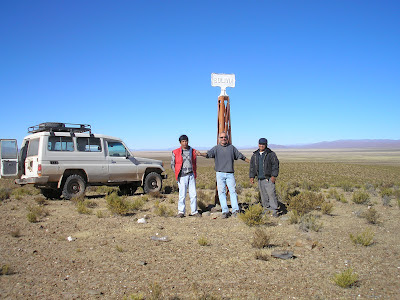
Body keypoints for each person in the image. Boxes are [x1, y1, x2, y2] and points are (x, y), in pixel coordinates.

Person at [196, 132, 250, 218]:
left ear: (227, 138)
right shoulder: (216, 148)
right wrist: (200, 154)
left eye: (225, 137)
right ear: (219, 138)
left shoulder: (231, 148)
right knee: (221, 192)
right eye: (221, 137)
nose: (223, 139)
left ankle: (235, 210)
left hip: (230, 174)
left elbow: (241, 156)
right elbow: (208, 154)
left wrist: (250, 162)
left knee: (233, 192)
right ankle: (225, 211)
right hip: (220, 173)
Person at [249, 138, 280, 217]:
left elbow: (275, 165)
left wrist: (274, 176)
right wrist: (252, 177)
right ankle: (266, 209)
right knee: (263, 195)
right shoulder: (255, 155)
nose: (261, 145)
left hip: (268, 178)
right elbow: (252, 167)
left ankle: (274, 210)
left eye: (263, 144)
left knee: (271, 194)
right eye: (260, 144)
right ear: (258, 144)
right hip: (260, 178)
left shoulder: (270, 154)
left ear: (266, 145)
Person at [171, 135, 200, 218]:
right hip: (182, 176)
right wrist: (177, 172)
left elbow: (195, 161)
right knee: (182, 195)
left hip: (191, 174)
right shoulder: (175, 152)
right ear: (180, 143)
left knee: (193, 194)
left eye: (186, 141)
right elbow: (172, 164)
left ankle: (194, 211)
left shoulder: (193, 151)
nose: (185, 143)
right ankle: (181, 212)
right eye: (183, 141)